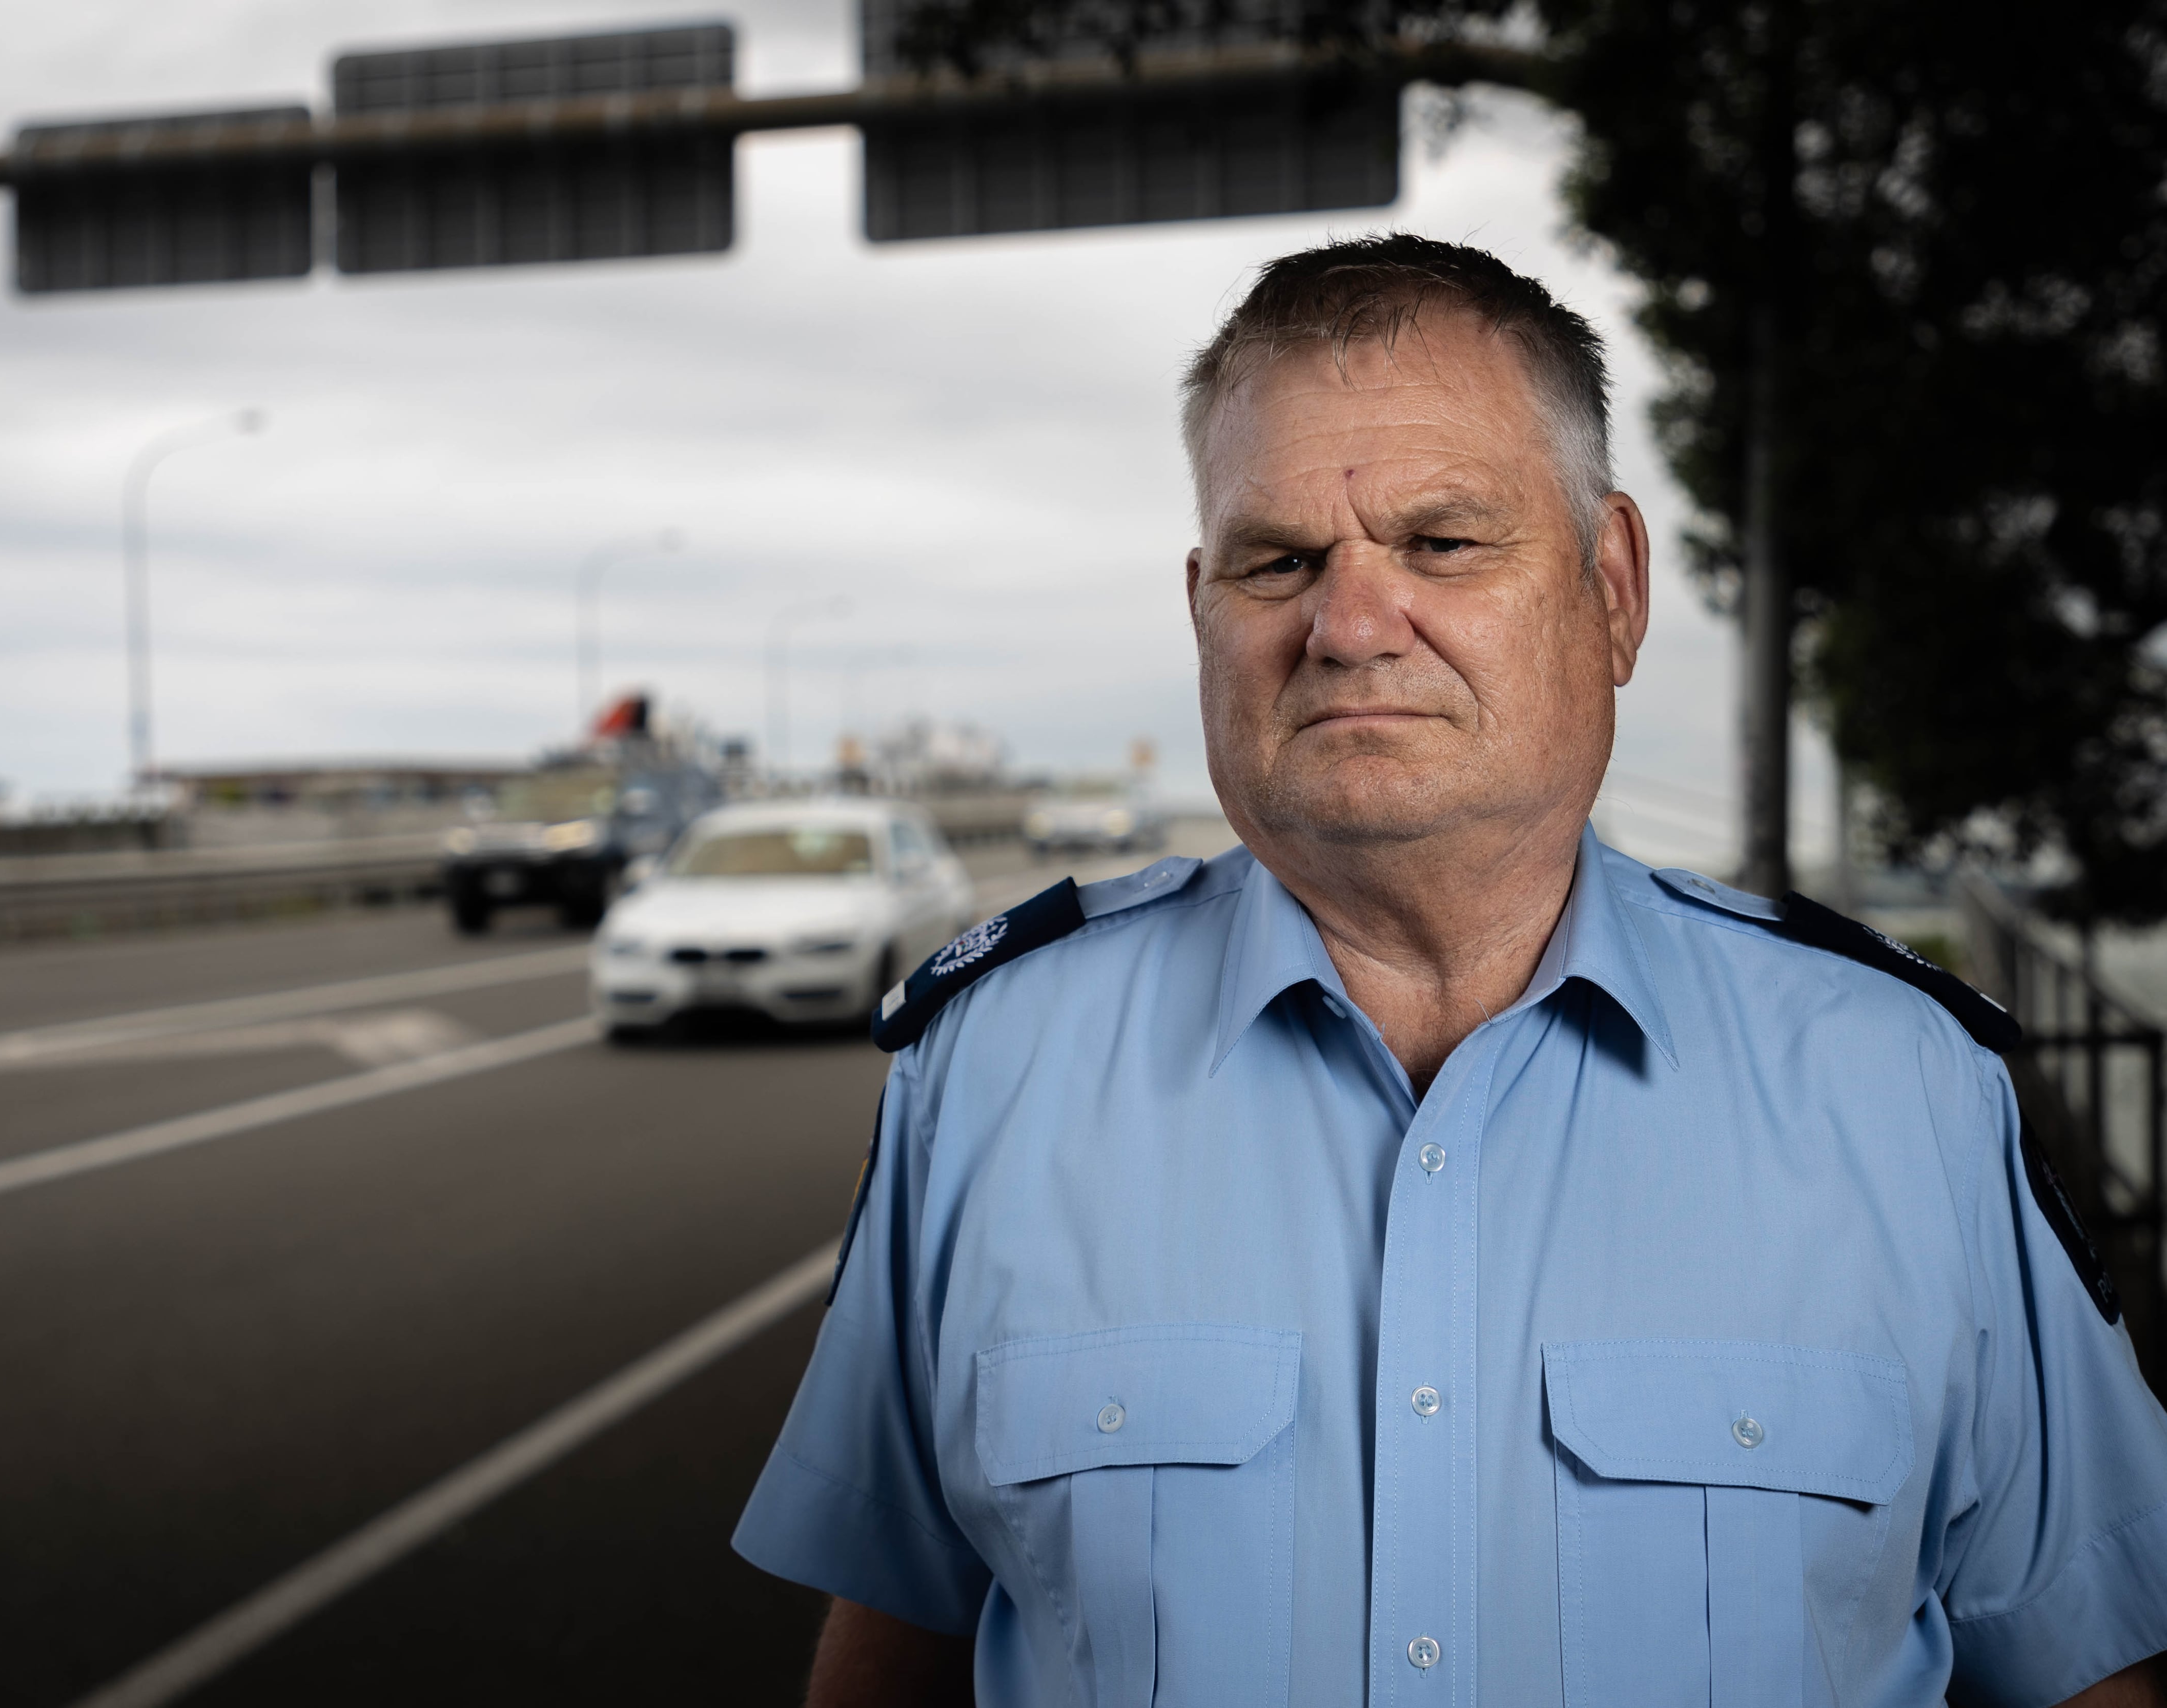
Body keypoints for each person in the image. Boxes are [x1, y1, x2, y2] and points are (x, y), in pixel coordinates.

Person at [731, 235, 2167, 1706]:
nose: (1350, 627)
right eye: (1278, 560)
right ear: (1201, 607)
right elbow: (897, 1643)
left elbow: (2082, 1668)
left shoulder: (1901, 1085)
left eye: (1443, 544)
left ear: (1612, 589)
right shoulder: (994, 1073)